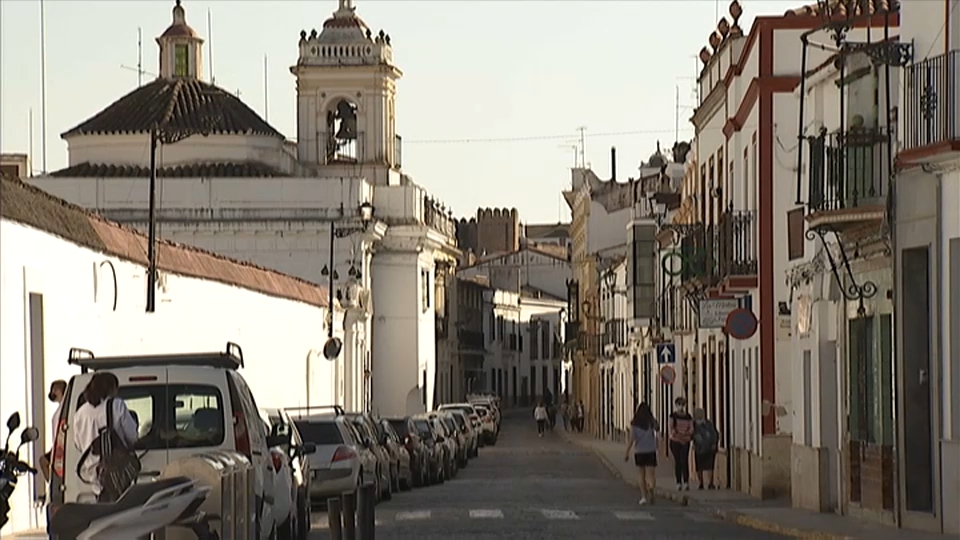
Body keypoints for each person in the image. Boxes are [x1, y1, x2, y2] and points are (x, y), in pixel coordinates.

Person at [73, 372, 139, 501]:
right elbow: (132, 437)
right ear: (111, 388)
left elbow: (78, 444)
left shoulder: (80, 413)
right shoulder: (116, 405)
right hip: (115, 472)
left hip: (93, 475)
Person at [624, 402, 659, 506]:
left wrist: (627, 452)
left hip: (639, 451)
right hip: (651, 450)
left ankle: (643, 497)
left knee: (641, 475)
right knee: (651, 474)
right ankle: (651, 487)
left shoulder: (635, 424)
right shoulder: (651, 422)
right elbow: (658, 429)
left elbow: (631, 439)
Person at [38, 380, 67, 480]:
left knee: (44, 462)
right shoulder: (61, 409)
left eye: (53, 390)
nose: (52, 393)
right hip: (57, 446)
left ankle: (52, 484)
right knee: (43, 461)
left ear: (59, 391)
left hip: (61, 447)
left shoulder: (64, 410)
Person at [669, 397, 694, 491]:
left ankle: (686, 482)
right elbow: (671, 428)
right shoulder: (673, 416)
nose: (681, 406)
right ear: (676, 405)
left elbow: (691, 428)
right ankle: (678, 482)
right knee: (678, 461)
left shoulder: (688, 417)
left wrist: (685, 434)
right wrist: (680, 435)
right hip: (675, 441)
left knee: (684, 460)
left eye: (682, 404)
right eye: (679, 404)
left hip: (685, 441)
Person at [692, 407, 720, 490]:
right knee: (703, 466)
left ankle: (707, 483)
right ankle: (704, 483)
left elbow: (715, 434)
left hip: (707, 448)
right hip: (701, 448)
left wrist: (714, 444)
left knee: (707, 466)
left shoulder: (707, 424)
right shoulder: (695, 425)